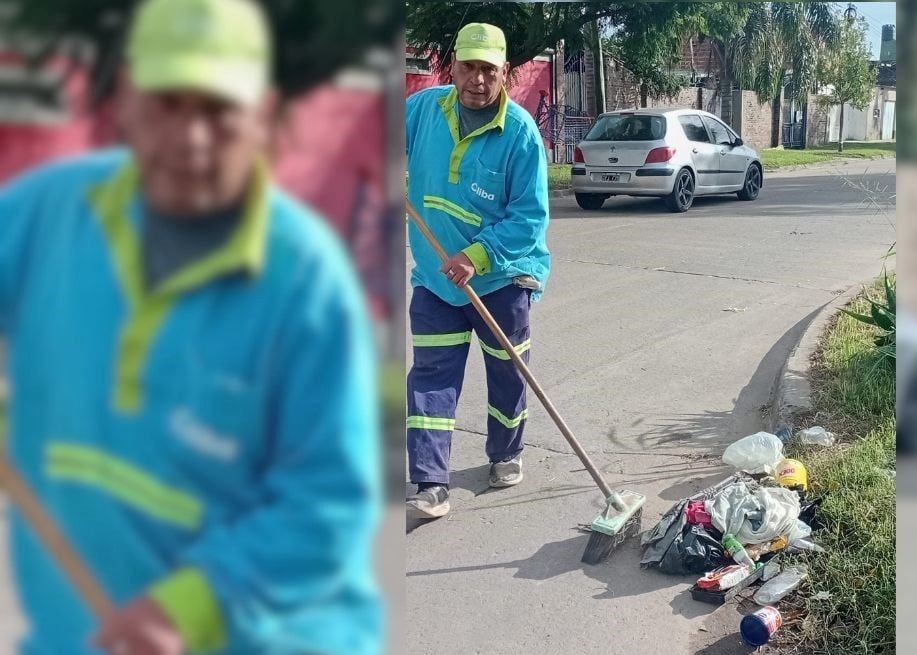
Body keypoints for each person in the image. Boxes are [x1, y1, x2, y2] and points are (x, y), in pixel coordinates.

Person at [0, 0, 383, 653]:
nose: (191, 138)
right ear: (124, 98)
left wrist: (191, 605)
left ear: (262, 114)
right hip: (80, 635)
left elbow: (328, 503)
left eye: (217, 110)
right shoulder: (50, 211)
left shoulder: (306, 283)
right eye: (168, 103)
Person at [404, 23, 551, 519]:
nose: (478, 80)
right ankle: (429, 482)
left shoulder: (521, 136)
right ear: (454, 67)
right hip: (435, 281)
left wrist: (476, 257)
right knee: (431, 377)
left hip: (501, 281)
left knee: (507, 373)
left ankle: (506, 452)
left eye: (489, 69)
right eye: (469, 67)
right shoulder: (425, 108)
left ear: (505, 73)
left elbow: (529, 218)